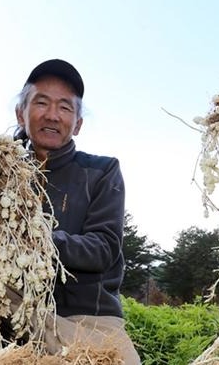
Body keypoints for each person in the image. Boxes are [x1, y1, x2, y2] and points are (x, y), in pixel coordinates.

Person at [12, 59, 141, 363]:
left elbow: (104, 247)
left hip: (89, 322)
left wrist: (36, 238)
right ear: (20, 114)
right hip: (18, 319)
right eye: (41, 102)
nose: (53, 115)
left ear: (78, 123)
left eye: (65, 107)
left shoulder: (101, 171)